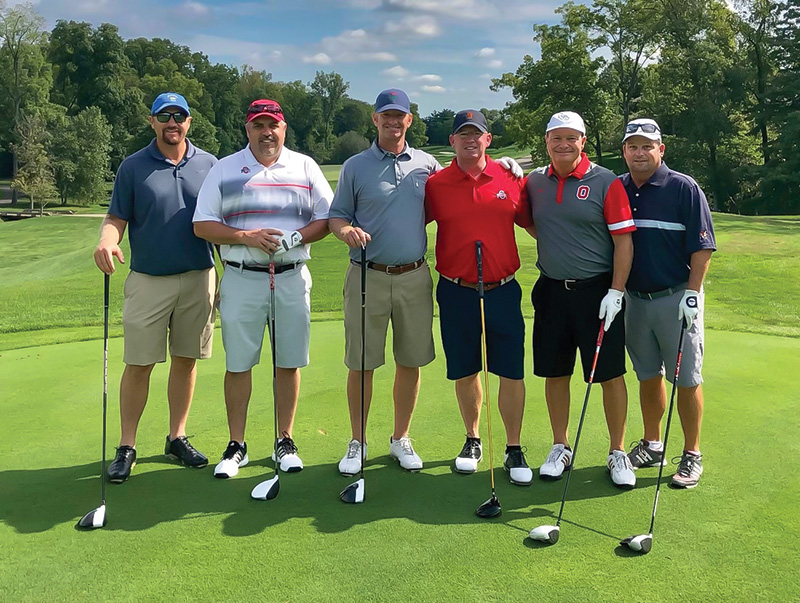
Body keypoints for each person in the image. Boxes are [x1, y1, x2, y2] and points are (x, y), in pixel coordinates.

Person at [329, 89, 523, 476]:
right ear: (375, 119)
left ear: (409, 120)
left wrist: (508, 165)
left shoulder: (427, 165)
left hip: (415, 275)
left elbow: (472, 184)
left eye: (399, 115)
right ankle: (358, 441)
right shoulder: (355, 166)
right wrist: (346, 229)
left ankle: (401, 437)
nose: (393, 121)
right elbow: (337, 216)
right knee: (363, 362)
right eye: (386, 115)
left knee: (411, 360)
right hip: (367, 273)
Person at [193, 99, 332, 478]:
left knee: (288, 361)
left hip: (290, 275)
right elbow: (202, 224)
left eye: (273, 125)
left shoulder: (305, 166)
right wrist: (246, 236)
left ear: (284, 129)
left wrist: (294, 238)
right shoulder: (224, 169)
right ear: (247, 129)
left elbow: (328, 217)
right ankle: (237, 444)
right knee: (239, 364)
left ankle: (284, 440)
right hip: (241, 276)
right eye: (259, 125)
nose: (266, 132)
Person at [93, 92, 217, 483]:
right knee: (140, 363)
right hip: (148, 279)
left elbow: (223, 220)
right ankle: (127, 445)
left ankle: (176, 436)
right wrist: (106, 241)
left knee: (186, 359)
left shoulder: (210, 165)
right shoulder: (133, 167)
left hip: (199, 277)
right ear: (152, 122)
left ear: (189, 122)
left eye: (179, 116)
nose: (172, 123)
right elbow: (116, 217)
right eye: (164, 116)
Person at [525, 111, 637, 489]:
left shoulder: (605, 182)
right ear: (546, 142)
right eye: (556, 137)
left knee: (609, 374)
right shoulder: (535, 182)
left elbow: (624, 240)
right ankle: (560, 446)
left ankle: (617, 450)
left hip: (597, 293)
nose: (563, 144)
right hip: (552, 290)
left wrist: (616, 291)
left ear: (582, 142)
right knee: (555, 372)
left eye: (571, 138)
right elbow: (527, 220)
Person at [425, 110, 536, 485]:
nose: (470, 139)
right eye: (462, 134)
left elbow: (536, 223)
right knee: (466, 368)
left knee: (510, 370)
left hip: (503, 289)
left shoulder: (511, 178)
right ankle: (473, 439)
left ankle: (513, 447)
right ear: (452, 141)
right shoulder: (436, 184)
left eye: (478, 134)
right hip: (456, 290)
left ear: (489, 139)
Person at [620, 118, 716, 489]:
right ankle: (652, 444)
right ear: (625, 151)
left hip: (678, 297)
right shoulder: (619, 188)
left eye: (647, 146)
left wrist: (693, 292)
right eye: (633, 146)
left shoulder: (684, 188)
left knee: (687, 379)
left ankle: (692, 454)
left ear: (661, 149)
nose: (639, 152)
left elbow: (703, 245)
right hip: (635, 300)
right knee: (647, 374)